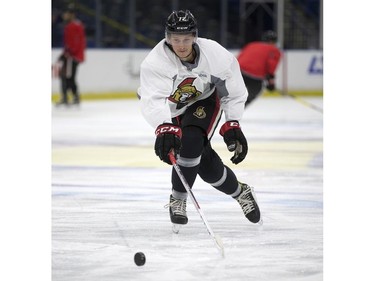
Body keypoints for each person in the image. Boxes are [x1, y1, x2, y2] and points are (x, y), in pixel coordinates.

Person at [138, 10, 261, 228]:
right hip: (173, 110)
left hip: (204, 100)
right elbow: (152, 99)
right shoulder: (155, 62)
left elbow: (233, 90)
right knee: (203, 164)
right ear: (167, 38)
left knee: (192, 140)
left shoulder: (214, 54)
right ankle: (241, 192)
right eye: (176, 40)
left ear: (195, 36)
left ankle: (178, 198)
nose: (182, 45)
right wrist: (163, 127)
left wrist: (232, 122)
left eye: (186, 39)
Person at [237, 30, 282, 107]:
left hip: (239, 71)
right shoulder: (274, 50)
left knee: (233, 92)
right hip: (255, 76)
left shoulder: (251, 45)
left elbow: (240, 57)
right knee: (255, 91)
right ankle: (238, 109)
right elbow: (271, 65)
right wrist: (270, 82)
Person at [55, 4, 86, 106]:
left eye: (66, 13)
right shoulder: (72, 25)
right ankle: (71, 97)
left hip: (72, 56)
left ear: (71, 14)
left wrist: (68, 53)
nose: (64, 15)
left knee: (67, 77)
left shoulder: (74, 26)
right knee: (68, 77)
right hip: (72, 55)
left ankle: (68, 97)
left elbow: (76, 42)